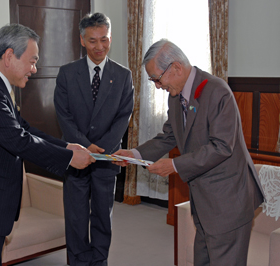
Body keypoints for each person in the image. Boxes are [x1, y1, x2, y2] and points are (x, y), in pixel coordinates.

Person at [0, 23, 95, 266]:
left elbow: (23, 128)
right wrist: (68, 159)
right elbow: (19, 140)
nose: (34, 69)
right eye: (32, 61)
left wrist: (67, 147)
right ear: (10, 56)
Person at [113, 39, 264, 266]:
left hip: (227, 201)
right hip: (204, 201)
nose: (157, 86)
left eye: (157, 78)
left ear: (175, 68)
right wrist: (134, 154)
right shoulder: (176, 96)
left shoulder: (217, 92)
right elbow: (169, 136)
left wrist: (174, 165)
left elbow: (222, 146)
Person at [54, 12, 134, 266]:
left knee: (102, 216)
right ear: (82, 40)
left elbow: (124, 116)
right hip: (76, 157)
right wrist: (84, 145)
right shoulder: (67, 73)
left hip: (107, 157)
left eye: (104, 40)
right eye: (92, 41)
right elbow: (63, 115)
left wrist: (103, 149)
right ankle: (77, 261)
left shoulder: (123, 75)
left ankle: (99, 261)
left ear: (110, 38)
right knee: (76, 216)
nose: (99, 46)